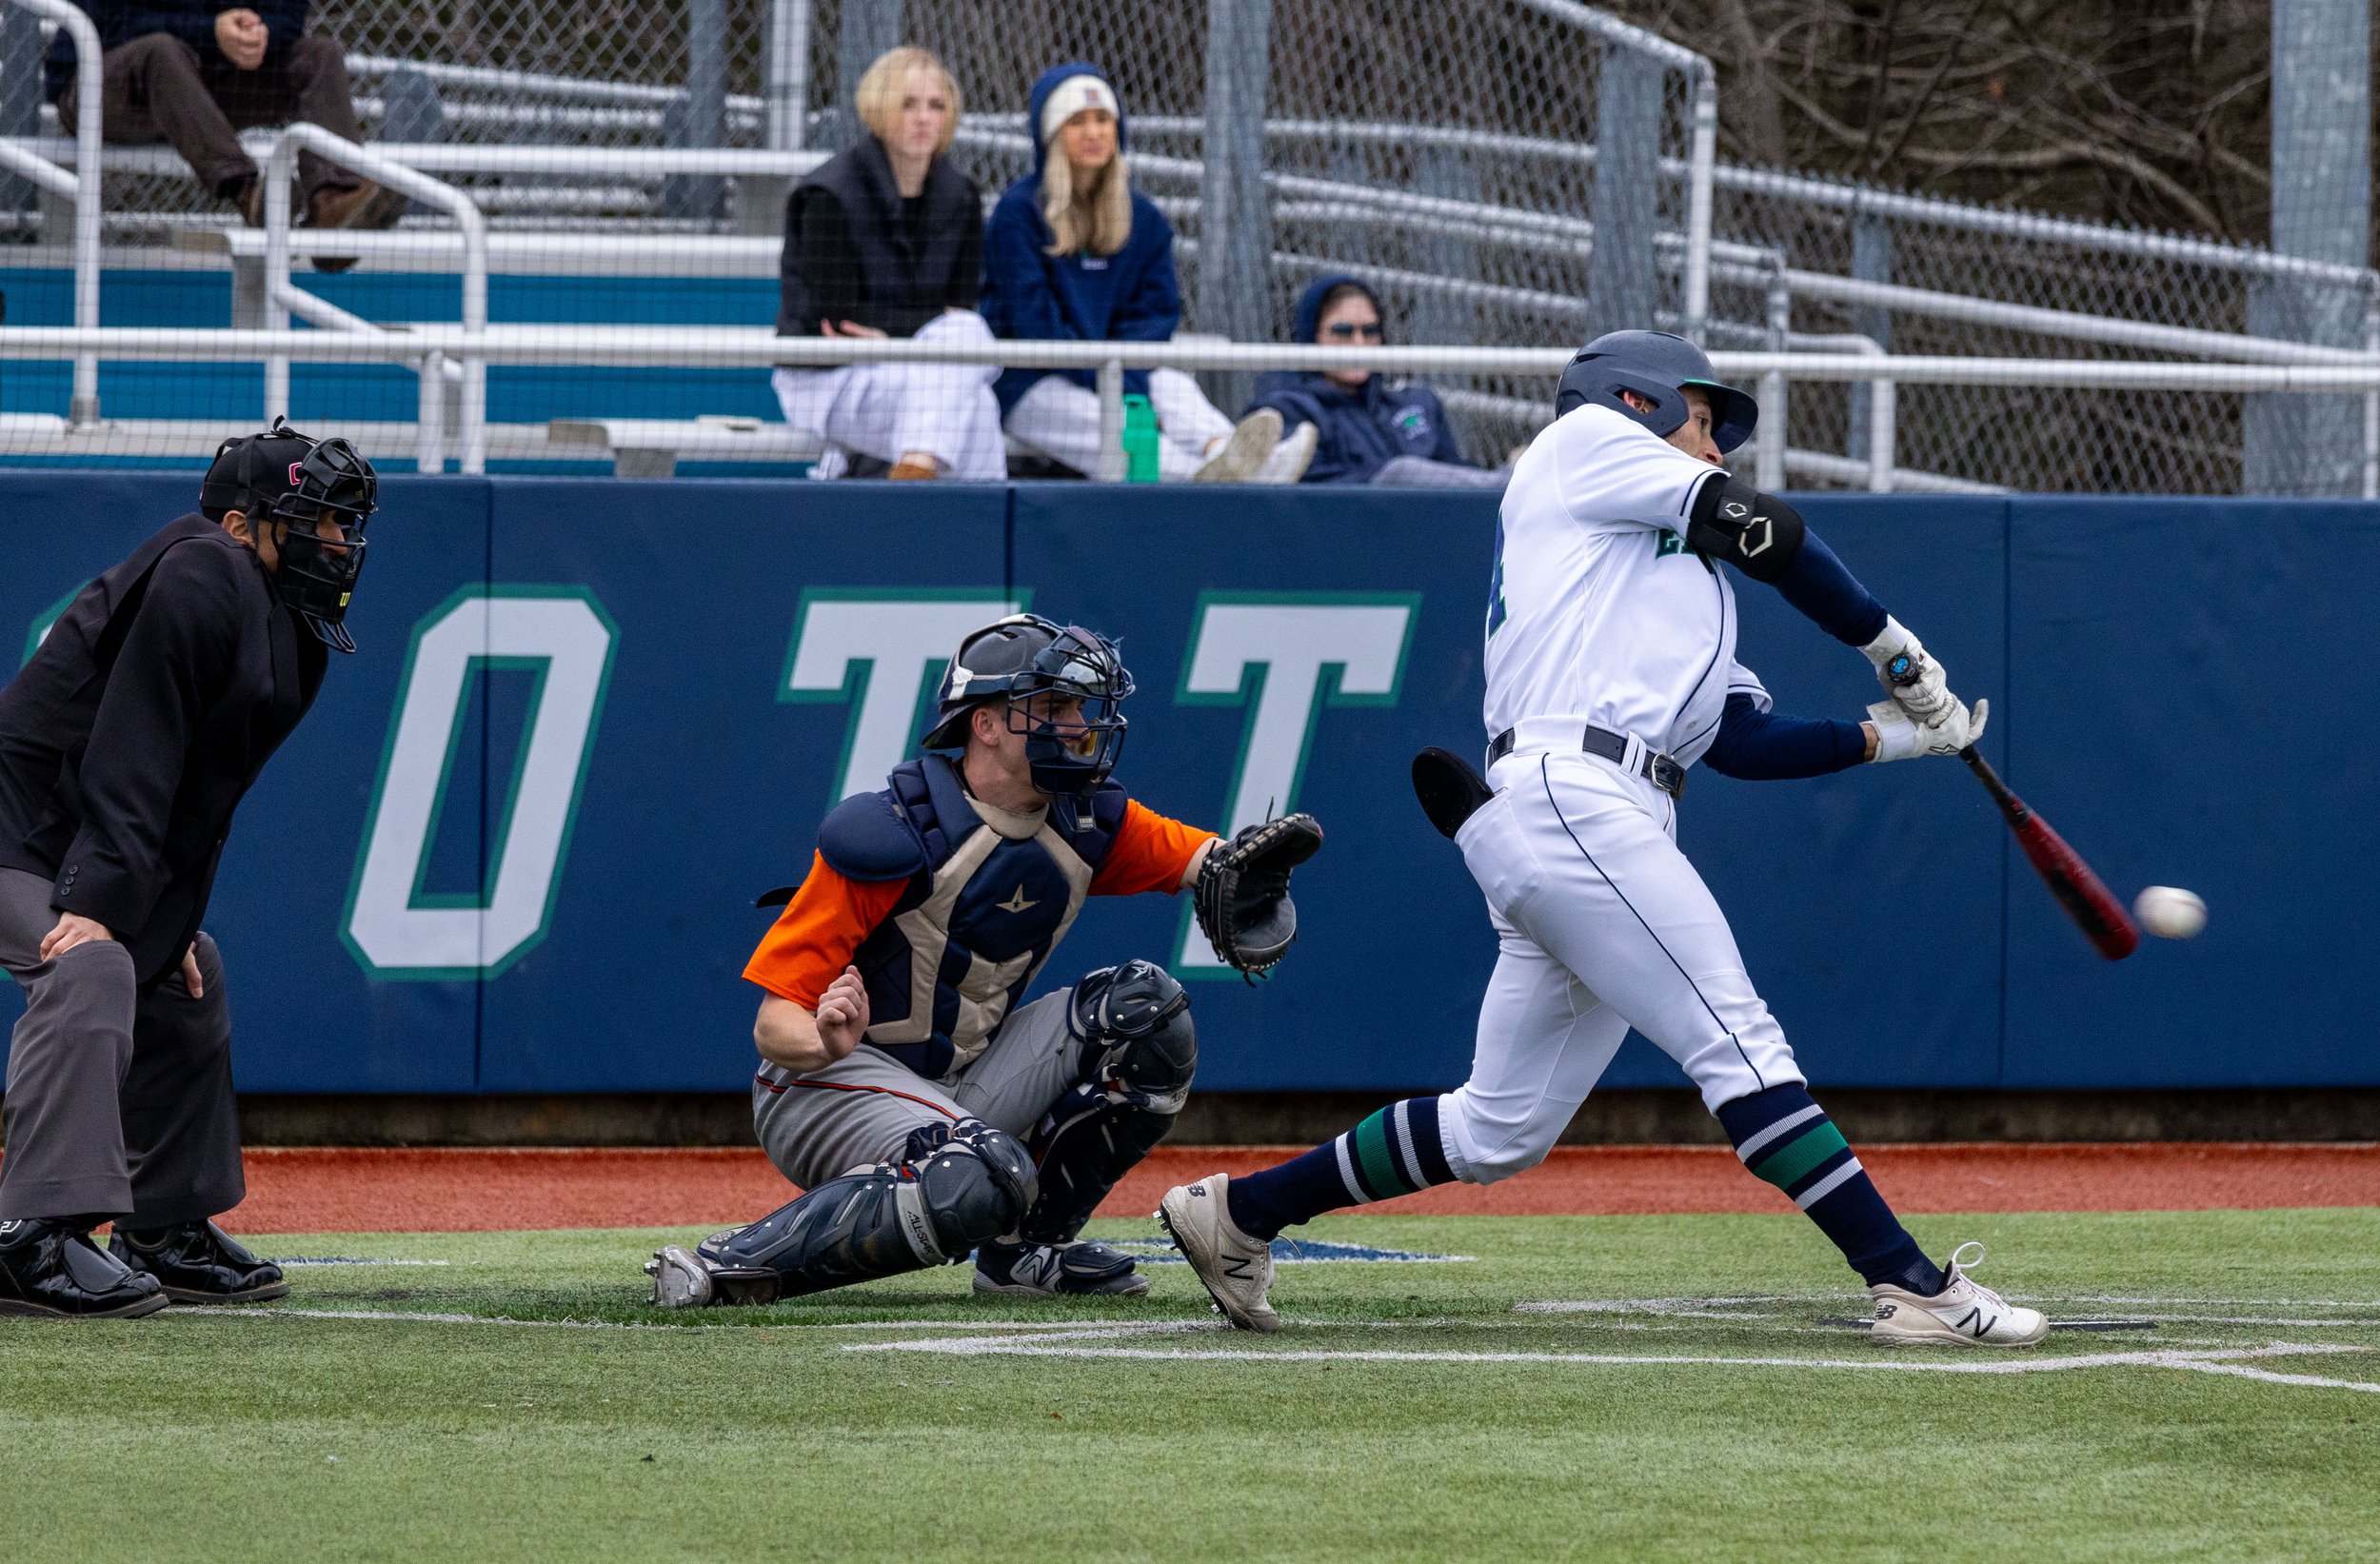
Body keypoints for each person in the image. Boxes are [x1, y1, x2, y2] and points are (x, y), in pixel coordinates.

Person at [1160, 329, 2053, 1350]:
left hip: (1593, 812)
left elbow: (1745, 743)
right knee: (1739, 1040)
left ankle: (1239, 1212)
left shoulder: (1676, 584)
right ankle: (1912, 1282)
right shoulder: (1581, 441)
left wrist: (1890, 736)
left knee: (1498, 1127)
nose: (1717, 449)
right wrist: (1889, 644)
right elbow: (1763, 526)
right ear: (1635, 398)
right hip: (1575, 794)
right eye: (1704, 420)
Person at [645, 615, 1321, 1306]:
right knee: (983, 1170)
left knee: (1147, 1012)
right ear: (987, 724)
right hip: (825, 1083)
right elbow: (773, 1025)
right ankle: (728, 1266)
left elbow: (1208, 863)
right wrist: (821, 1038)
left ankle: (1024, 1255)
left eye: (1077, 707)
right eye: (1052, 707)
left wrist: (1239, 874)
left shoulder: (1086, 818)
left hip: (959, 1082)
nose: (1078, 725)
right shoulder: (895, 830)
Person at [0, 420, 376, 1319]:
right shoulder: (207, 568)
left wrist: (156, 926)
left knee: (184, 972)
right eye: (318, 520)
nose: (340, 541)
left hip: (63, 837)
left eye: (345, 522)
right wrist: (101, 908)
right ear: (244, 526)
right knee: (90, 962)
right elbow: (133, 749)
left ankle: (162, 1224)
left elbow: (199, 803)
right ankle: (30, 1234)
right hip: (17, 834)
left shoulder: (290, 623)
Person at [982, 64, 1311, 485]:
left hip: (1120, 372)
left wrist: (1123, 375)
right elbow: (1032, 322)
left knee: (1174, 388)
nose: (1094, 132)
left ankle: (1234, 454)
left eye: (1103, 119)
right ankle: (1208, 480)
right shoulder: (1019, 213)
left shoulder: (1144, 218)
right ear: (1051, 134)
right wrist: (1108, 376)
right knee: (1111, 426)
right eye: (1076, 121)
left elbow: (1154, 316)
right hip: (1035, 382)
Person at [771, 47, 1003, 482]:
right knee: (971, 398)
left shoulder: (960, 197)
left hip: (921, 370)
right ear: (879, 108)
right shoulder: (829, 194)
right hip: (829, 376)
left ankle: (912, 478)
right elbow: (839, 318)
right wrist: (924, 330)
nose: (924, 118)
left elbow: (961, 306)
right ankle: (959, 526)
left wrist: (897, 335)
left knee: (968, 371)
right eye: (908, 104)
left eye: (936, 106)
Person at [44, 3, 405, 245]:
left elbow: (288, 23)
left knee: (319, 54)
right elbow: (115, 25)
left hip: (202, 85)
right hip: (101, 88)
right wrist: (211, 33)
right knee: (162, 50)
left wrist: (255, 32)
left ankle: (333, 204)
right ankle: (248, 193)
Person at [1249, 275, 1506, 489]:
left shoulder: (1415, 404)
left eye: (1370, 331)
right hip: (1351, 534)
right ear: (1312, 336)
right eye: (1343, 331)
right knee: (1401, 473)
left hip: (1433, 530)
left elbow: (1456, 474)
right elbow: (1312, 491)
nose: (1359, 344)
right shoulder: (1287, 408)